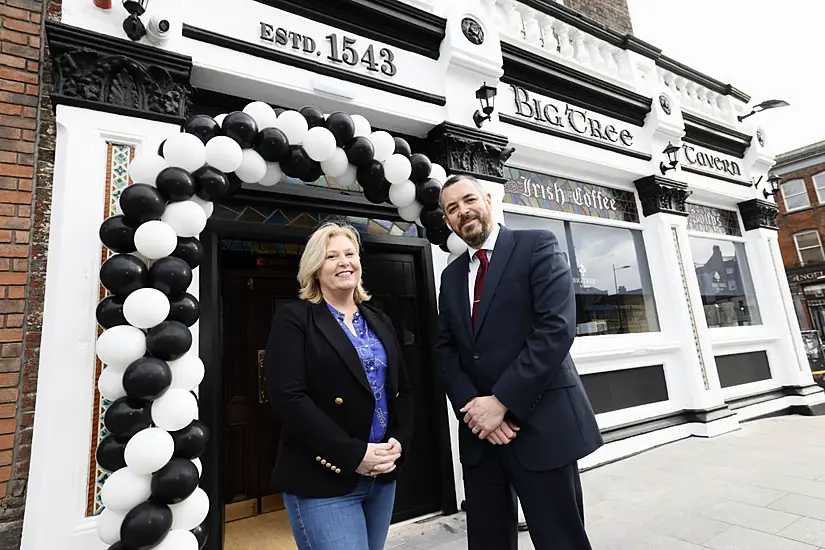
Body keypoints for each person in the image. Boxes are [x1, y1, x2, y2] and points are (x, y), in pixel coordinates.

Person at [435, 175, 603, 550]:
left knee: (561, 540)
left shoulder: (537, 245)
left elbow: (555, 330)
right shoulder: (450, 276)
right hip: (482, 435)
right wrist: (476, 411)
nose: (463, 211)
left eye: (468, 200)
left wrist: (501, 403)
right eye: (452, 208)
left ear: (489, 200)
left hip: (541, 425)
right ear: (448, 221)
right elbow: (445, 351)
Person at [264, 222, 414, 550]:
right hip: (324, 478)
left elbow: (402, 389)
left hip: (382, 476)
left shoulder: (379, 319)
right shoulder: (295, 318)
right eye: (332, 256)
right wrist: (354, 452)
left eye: (350, 254)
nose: (344, 261)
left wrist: (399, 442)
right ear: (315, 269)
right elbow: (288, 398)